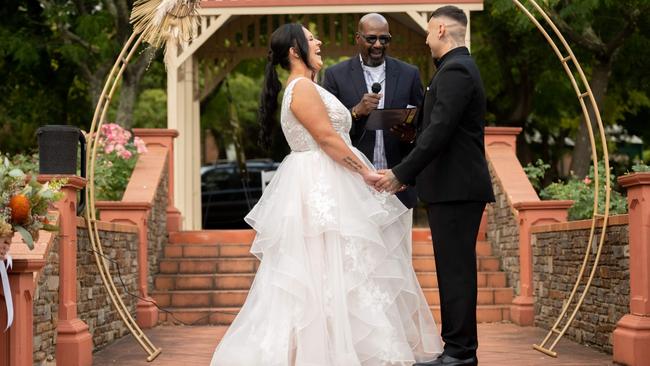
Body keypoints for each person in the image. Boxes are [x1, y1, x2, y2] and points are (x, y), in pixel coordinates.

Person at [210, 23, 442, 365]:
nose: (318, 43)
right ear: (294, 51)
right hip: (319, 184)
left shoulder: (308, 86)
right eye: (311, 39)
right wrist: (365, 172)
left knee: (339, 268)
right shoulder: (301, 87)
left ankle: (336, 346)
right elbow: (328, 139)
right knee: (323, 267)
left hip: (328, 180)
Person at [375, 6, 495, 366]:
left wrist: (401, 172)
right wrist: (411, 131)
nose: (426, 39)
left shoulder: (457, 70)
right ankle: (457, 349)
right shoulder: (452, 70)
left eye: (428, 32)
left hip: (457, 189)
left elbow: (441, 132)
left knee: (456, 272)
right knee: (452, 270)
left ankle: (460, 353)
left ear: (441, 29)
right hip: (451, 189)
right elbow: (437, 127)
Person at [322, 13, 422, 209]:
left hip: (397, 184)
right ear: (358, 38)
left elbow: (423, 123)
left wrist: (411, 135)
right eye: (371, 38)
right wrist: (355, 112)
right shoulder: (335, 76)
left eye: (384, 39)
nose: (378, 44)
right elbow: (326, 130)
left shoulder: (409, 74)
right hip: (354, 183)